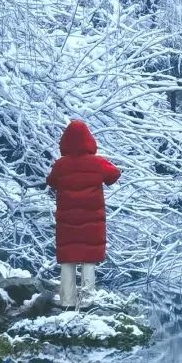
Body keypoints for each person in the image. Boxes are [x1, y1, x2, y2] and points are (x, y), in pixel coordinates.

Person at [46, 119, 120, 308]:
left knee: (67, 259)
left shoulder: (60, 165)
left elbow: (51, 182)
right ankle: (87, 300)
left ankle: (67, 300)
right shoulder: (97, 163)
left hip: (67, 222)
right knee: (89, 259)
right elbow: (114, 175)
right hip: (92, 222)